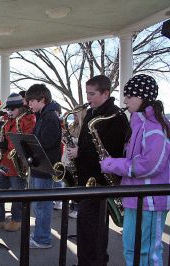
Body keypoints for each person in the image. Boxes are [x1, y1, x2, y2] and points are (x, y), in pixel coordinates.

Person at [100, 74, 170, 266]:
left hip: (150, 202)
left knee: (148, 252)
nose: (124, 100)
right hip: (135, 200)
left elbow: (149, 165)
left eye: (129, 95)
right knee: (131, 249)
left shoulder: (154, 128)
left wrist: (112, 164)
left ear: (142, 97)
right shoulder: (138, 124)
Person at [67, 75, 129, 265]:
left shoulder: (115, 117)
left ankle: (94, 262)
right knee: (85, 230)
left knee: (94, 232)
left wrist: (80, 152)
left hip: (100, 182)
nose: (88, 98)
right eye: (87, 93)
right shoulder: (93, 113)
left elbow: (111, 152)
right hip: (87, 179)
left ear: (106, 93)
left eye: (92, 94)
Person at [0, 93, 35, 231]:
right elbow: (5, 138)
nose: (9, 112)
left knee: (17, 193)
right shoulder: (9, 120)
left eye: (12, 109)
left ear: (20, 108)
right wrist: (1, 146)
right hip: (6, 162)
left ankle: (17, 219)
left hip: (18, 163)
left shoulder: (28, 119)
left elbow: (27, 140)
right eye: (8, 109)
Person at [25, 84, 62, 249]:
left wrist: (30, 145)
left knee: (43, 205)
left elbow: (46, 142)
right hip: (39, 166)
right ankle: (40, 235)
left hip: (45, 167)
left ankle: (43, 239)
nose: (29, 104)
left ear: (42, 100)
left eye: (32, 101)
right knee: (39, 204)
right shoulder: (43, 115)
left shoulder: (50, 117)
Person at [61, 104, 87, 219]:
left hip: (77, 160)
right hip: (68, 158)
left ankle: (76, 207)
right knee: (70, 184)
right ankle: (72, 205)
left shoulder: (83, 128)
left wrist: (73, 141)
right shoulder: (72, 126)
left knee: (76, 184)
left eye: (76, 115)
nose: (74, 118)